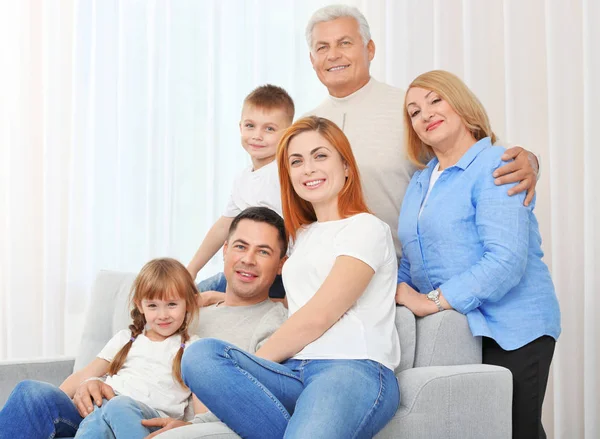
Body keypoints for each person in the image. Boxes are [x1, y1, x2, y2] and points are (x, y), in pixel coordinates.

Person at [181, 116, 400, 439]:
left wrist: (251, 366)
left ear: (346, 167)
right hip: (295, 370)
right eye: (296, 162)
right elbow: (291, 293)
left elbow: (319, 315)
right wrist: (216, 292)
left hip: (349, 368)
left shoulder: (366, 228)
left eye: (320, 156)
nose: (308, 168)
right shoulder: (300, 237)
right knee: (200, 356)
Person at [394, 70, 561, 439]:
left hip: (515, 328)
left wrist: (430, 302)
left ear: (461, 104)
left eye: (436, 100)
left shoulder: (499, 164)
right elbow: (412, 256)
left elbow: (505, 260)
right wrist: (396, 292)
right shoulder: (420, 181)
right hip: (458, 330)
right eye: (414, 111)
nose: (426, 114)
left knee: (515, 431)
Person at [304, 4, 540, 258]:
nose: (333, 55)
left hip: (409, 272)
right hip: (329, 271)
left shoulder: (412, 109)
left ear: (369, 49)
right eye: (322, 47)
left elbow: (486, 156)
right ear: (312, 59)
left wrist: (531, 163)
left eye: (345, 43)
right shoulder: (304, 126)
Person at [0, 258, 202, 439]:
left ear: (189, 304)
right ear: (140, 305)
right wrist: (51, 403)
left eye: (172, 304)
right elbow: (84, 375)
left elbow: (203, 415)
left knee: (118, 405)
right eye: (153, 306)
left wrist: (191, 427)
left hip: (145, 419)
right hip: (100, 408)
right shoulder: (126, 339)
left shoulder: (194, 349)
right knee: (30, 392)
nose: (163, 314)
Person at [188, 84, 295, 300]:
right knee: (187, 294)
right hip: (246, 267)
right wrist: (191, 269)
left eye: (269, 129)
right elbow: (225, 224)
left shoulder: (284, 173)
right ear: (240, 127)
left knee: (195, 301)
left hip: (276, 274)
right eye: (250, 126)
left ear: (287, 134)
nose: (257, 135)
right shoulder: (244, 177)